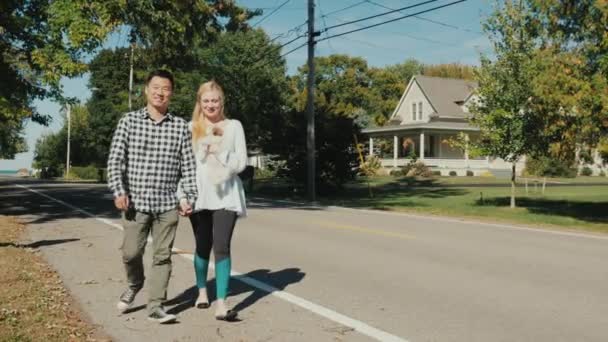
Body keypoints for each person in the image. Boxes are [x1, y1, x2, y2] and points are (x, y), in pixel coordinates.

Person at [107, 69, 197, 324]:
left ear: (172, 93)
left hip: (167, 205)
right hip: (135, 204)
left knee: (162, 256)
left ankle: (155, 306)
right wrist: (119, 190)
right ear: (146, 90)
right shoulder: (129, 121)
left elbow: (188, 167)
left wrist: (189, 196)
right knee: (131, 253)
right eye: (156, 87)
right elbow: (115, 160)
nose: (160, 92)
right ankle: (135, 284)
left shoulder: (180, 126)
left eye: (166, 88)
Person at [182, 80, 247, 321]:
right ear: (200, 102)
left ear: (222, 102)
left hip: (226, 194)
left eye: (215, 100)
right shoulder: (191, 127)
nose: (211, 105)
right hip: (199, 195)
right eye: (206, 100)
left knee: (222, 246)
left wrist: (219, 150)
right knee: (202, 246)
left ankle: (222, 303)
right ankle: (201, 291)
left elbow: (241, 163)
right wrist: (183, 196)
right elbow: (185, 166)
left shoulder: (234, 126)